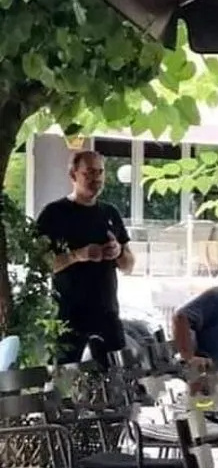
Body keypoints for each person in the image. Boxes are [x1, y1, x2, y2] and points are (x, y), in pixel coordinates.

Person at [37, 150, 135, 365]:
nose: (95, 179)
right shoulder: (54, 213)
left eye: (100, 172)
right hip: (67, 315)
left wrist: (118, 251)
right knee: (63, 377)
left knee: (120, 375)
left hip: (107, 312)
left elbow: (129, 265)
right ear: (73, 175)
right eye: (89, 172)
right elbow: (40, 265)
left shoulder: (110, 213)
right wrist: (77, 255)